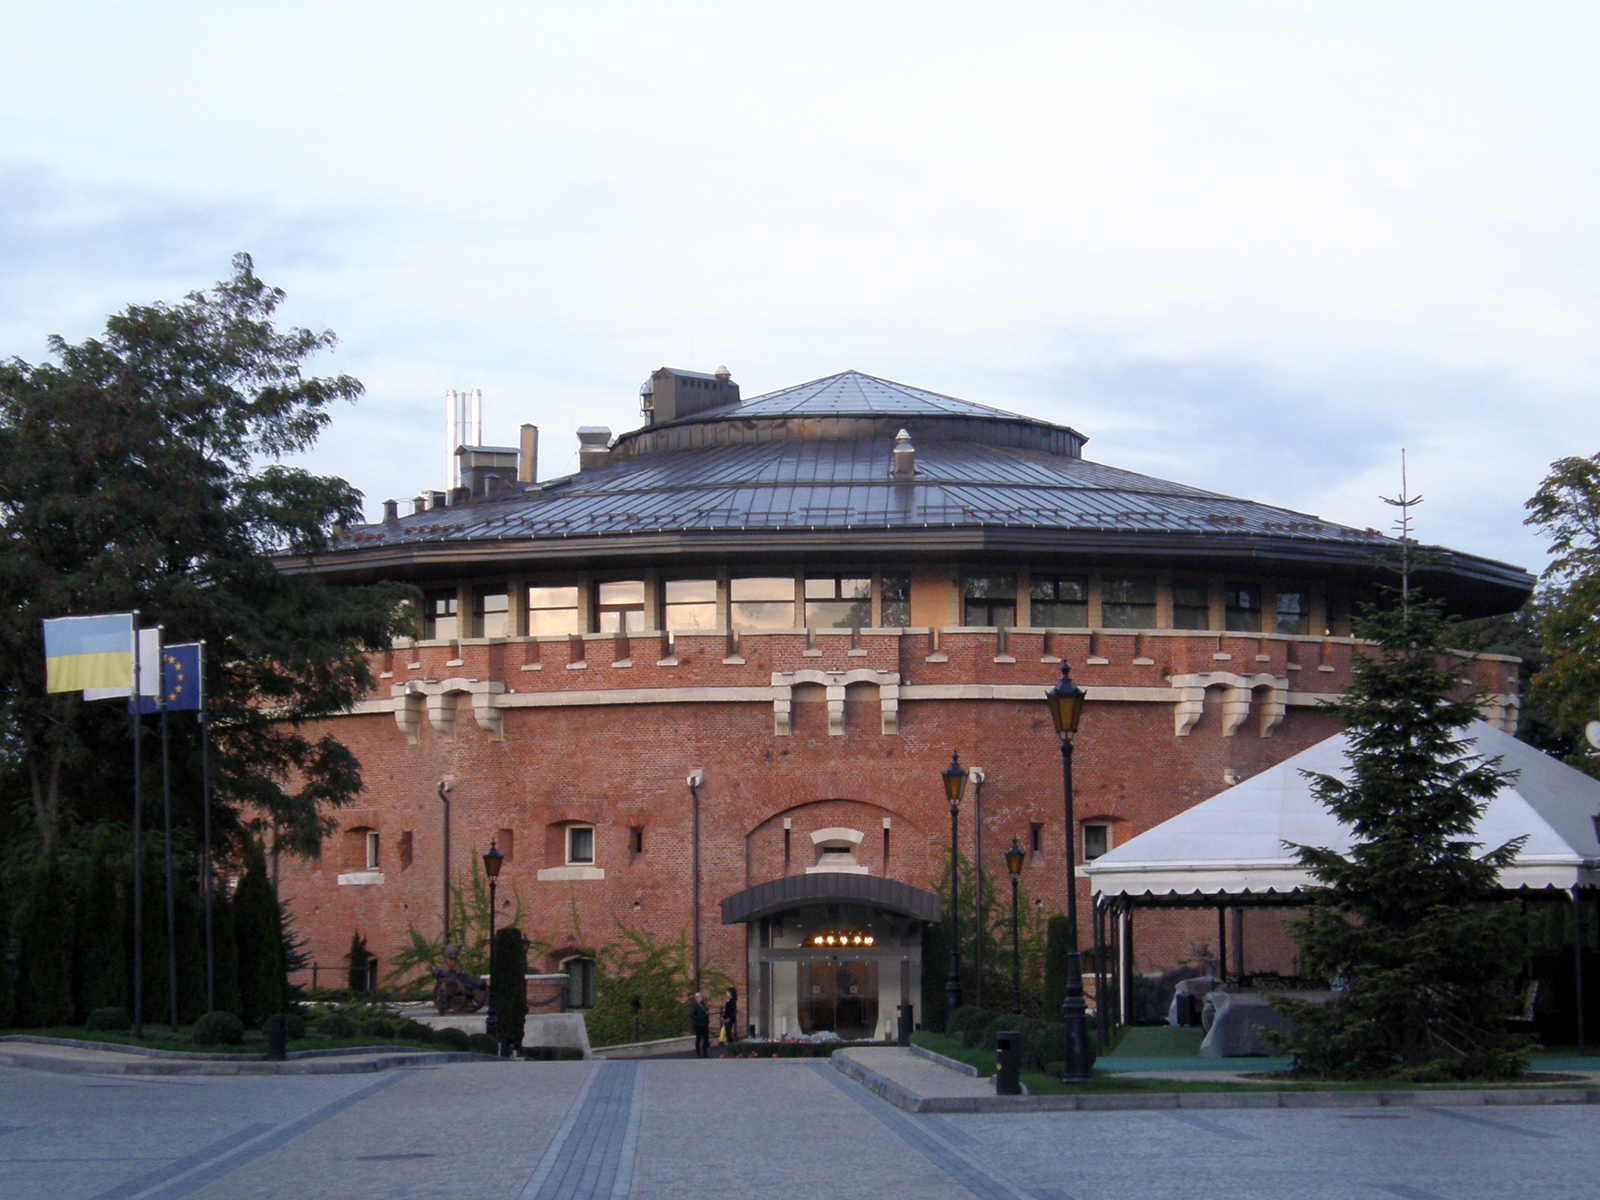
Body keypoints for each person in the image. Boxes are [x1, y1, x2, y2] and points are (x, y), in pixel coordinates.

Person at [690, 991, 710, 1058]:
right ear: (696, 999)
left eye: (700, 997)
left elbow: (705, 1014)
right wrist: (699, 1019)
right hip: (698, 1025)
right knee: (698, 1039)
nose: (700, 998)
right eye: (698, 997)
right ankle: (698, 1053)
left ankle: (705, 1053)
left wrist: (706, 1021)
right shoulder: (695, 1006)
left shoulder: (703, 1005)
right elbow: (692, 1015)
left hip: (704, 1024)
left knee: (705, 1039)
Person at [719, 987, 738, 1052]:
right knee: (728, 1033)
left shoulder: (730, 1002)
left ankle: (732, 1047)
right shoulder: (732, 1001)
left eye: (727, 993)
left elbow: (728, 1011)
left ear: (730, 993)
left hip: (729, 1019)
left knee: (728, 1033)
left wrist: (724, 1017)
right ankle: (731, 1046)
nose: (726, 994)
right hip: (730, 1019)